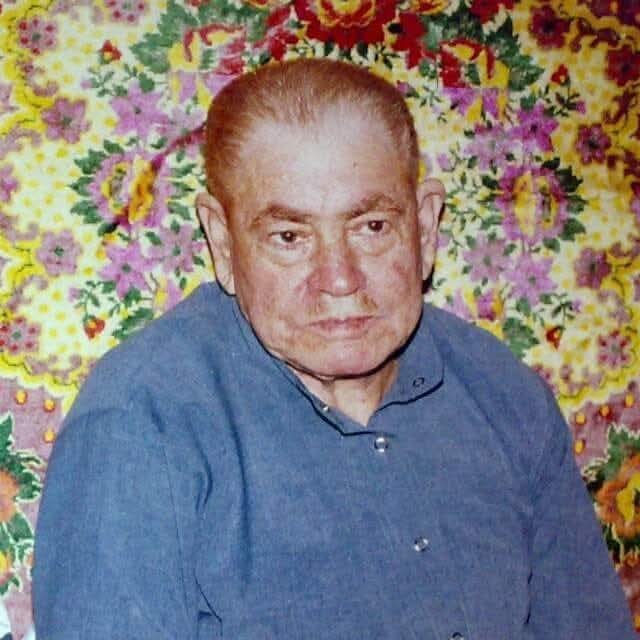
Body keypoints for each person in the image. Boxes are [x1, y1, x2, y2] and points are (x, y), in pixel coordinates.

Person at [33, 59, 633, 639]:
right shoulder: (140, 423)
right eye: (289, 236)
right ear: (222, 241)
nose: (339, 279)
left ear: (425, 227)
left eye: (371, 227)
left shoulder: (506, 395)